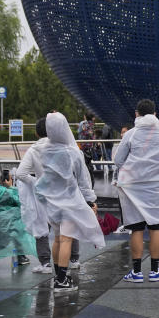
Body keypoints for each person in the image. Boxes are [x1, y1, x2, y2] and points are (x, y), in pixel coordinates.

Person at [113, 99, 159, 282]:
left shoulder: (130, 135)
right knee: (156, 227)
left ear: (137, 114)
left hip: (132, 187)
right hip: (155, 187)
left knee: (136, 228)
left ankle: (136, 272)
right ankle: (155, 271)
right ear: (155, 114)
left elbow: (118, 161)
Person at [37, 112, 104, 291]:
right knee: (67, 239)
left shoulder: (44, 150)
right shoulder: (73, 152)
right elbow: (83, 180)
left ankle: (58, 275)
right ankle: (61, 280)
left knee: (57, 239)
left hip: (52, 201)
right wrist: (90, 201)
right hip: (69, 200)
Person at [17, 117, 75, 274]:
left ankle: (46, 263)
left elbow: (21, 173)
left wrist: (36, 182)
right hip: (63, 194)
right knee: (66, 230)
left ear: (36, 133)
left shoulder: (33, 150)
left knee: (42, 229)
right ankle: (73, 259)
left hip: (42, 196)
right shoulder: (62, 147)